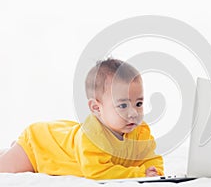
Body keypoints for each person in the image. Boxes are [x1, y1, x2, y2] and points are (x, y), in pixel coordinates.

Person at [0, 58, 164, 179]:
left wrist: (155, 172)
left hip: (63, 135)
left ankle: (11, 150)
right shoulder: (92, 138)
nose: (133, 113)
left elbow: (152, 158)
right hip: (38, 146)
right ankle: (15, 150)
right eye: (123, 106)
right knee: (7, 168)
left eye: (139, 103)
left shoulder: (140, 132)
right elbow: (98, 172)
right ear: (96, 108)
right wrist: (139, 173)